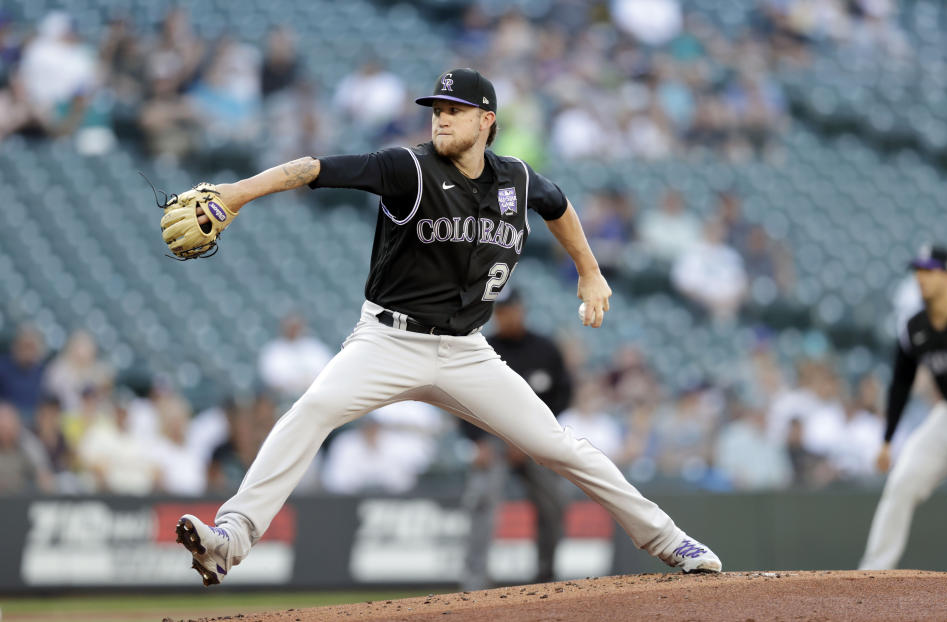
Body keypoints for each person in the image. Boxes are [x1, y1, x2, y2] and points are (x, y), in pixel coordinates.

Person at [173, 68, 721, 586]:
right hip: (387, 340)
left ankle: (670, 540)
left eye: (455, 109)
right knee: (311, 412)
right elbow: (315, 168)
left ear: (487, 120)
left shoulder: (516, 180)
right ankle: (231, 539)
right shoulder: (406, 168)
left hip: (466, 352)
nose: (441, 117)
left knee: (558, 446)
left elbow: (558, 205)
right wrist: (236, 193)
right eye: (436, 108)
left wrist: (590, 271)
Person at [460, 288, 572, 589]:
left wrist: (531, 435)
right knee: (483, 499)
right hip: (491, 436)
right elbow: (459, 396)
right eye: (501, 310)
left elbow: (564, 394)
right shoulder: (481, 347)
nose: (506, 315)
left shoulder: (546, 349)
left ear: (522, 309)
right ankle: (474, 580)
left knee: (554, 502)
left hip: (534, 438)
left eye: (510, 308)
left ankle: (546, 576)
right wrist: (477, 440)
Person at [860, 245, 947, 569]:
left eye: (929, 271)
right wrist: (887, 440)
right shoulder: (915, 327)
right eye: (918, 271)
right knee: (901, 482)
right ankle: (873, 573)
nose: (921, 278)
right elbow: (901, 384)